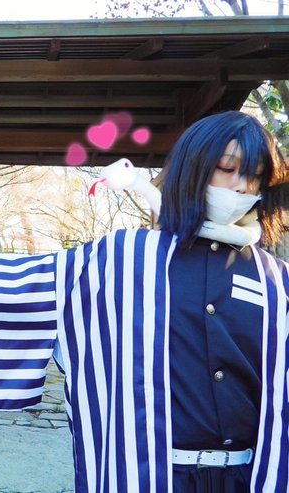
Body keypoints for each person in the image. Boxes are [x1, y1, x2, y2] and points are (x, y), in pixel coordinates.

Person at [52, 110, 288, 492]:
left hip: (248, 476)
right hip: (152, 475)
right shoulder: (124, 258)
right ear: (194, 167)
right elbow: (33, 292)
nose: (242, 186)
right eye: (226, 168)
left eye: (255, 175)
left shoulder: (276, 279)